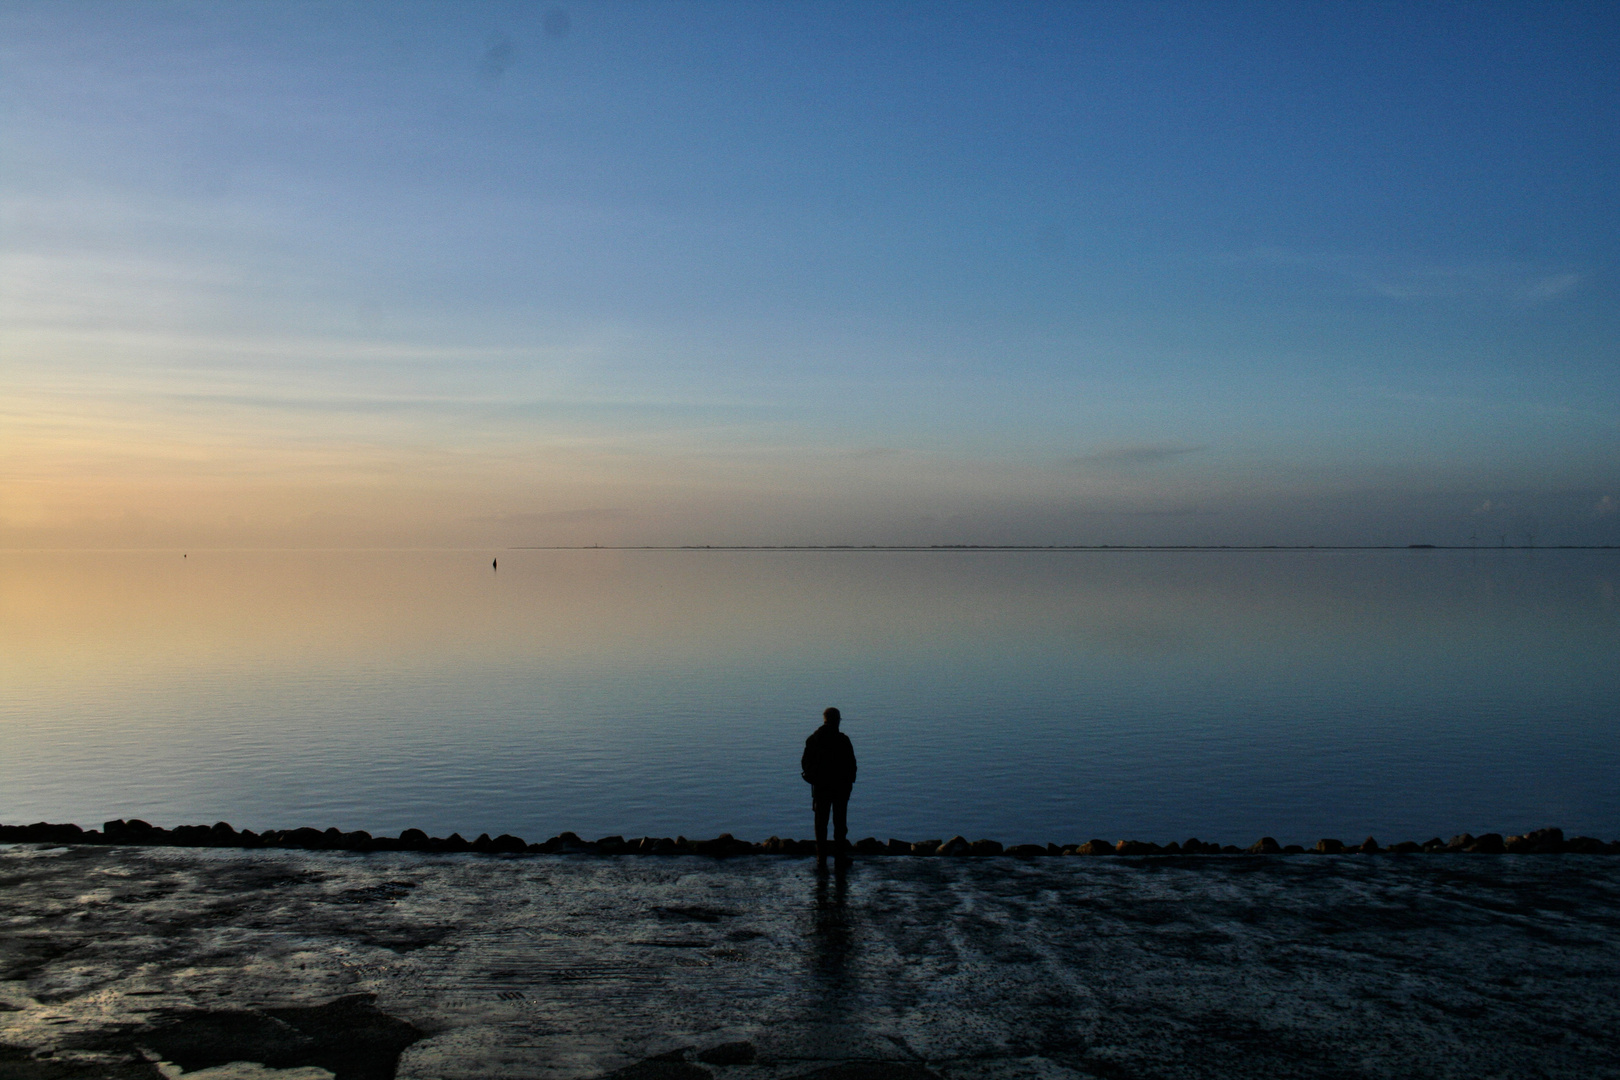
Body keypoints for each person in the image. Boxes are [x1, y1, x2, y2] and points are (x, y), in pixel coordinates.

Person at [801, 706, 857, 862]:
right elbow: (852, 765)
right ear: (837, 720)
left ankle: (821, 857)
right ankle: (840, 856)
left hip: (821, 788)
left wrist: (816, 778)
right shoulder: (843, 740)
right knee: (840, 824)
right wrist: (849, 783)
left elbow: (805, 764)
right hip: (840, 788)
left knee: (821, 823)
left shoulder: (813, 740)